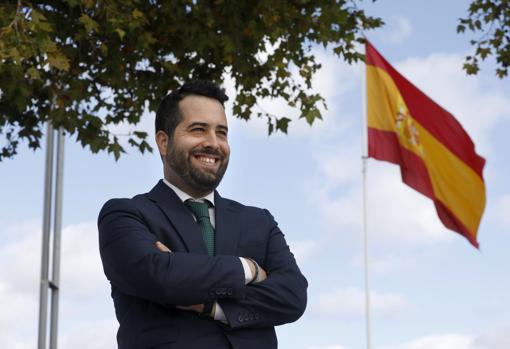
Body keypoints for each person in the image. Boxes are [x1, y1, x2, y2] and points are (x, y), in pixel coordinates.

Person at [98, 80, 307, 349]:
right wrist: (249, 269)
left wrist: (208, 304)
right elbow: (158, 276)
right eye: (198, 130)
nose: (213, 143)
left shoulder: (259, 221)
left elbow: (292, 296)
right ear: (164, 141)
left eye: (222, 133)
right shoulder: (126, 214)